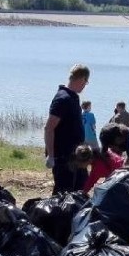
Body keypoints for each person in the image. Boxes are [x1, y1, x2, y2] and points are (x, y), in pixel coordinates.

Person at [44, 64, 89, 194]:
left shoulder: (73, 97)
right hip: (64, 157)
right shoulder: (63, 99)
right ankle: (57, 214)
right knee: (63, 192)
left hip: (76, 156)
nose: (85, 86)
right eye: (86, 82)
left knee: (81, 188)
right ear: (82, 79)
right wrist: (51, 156)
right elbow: (49, 128)